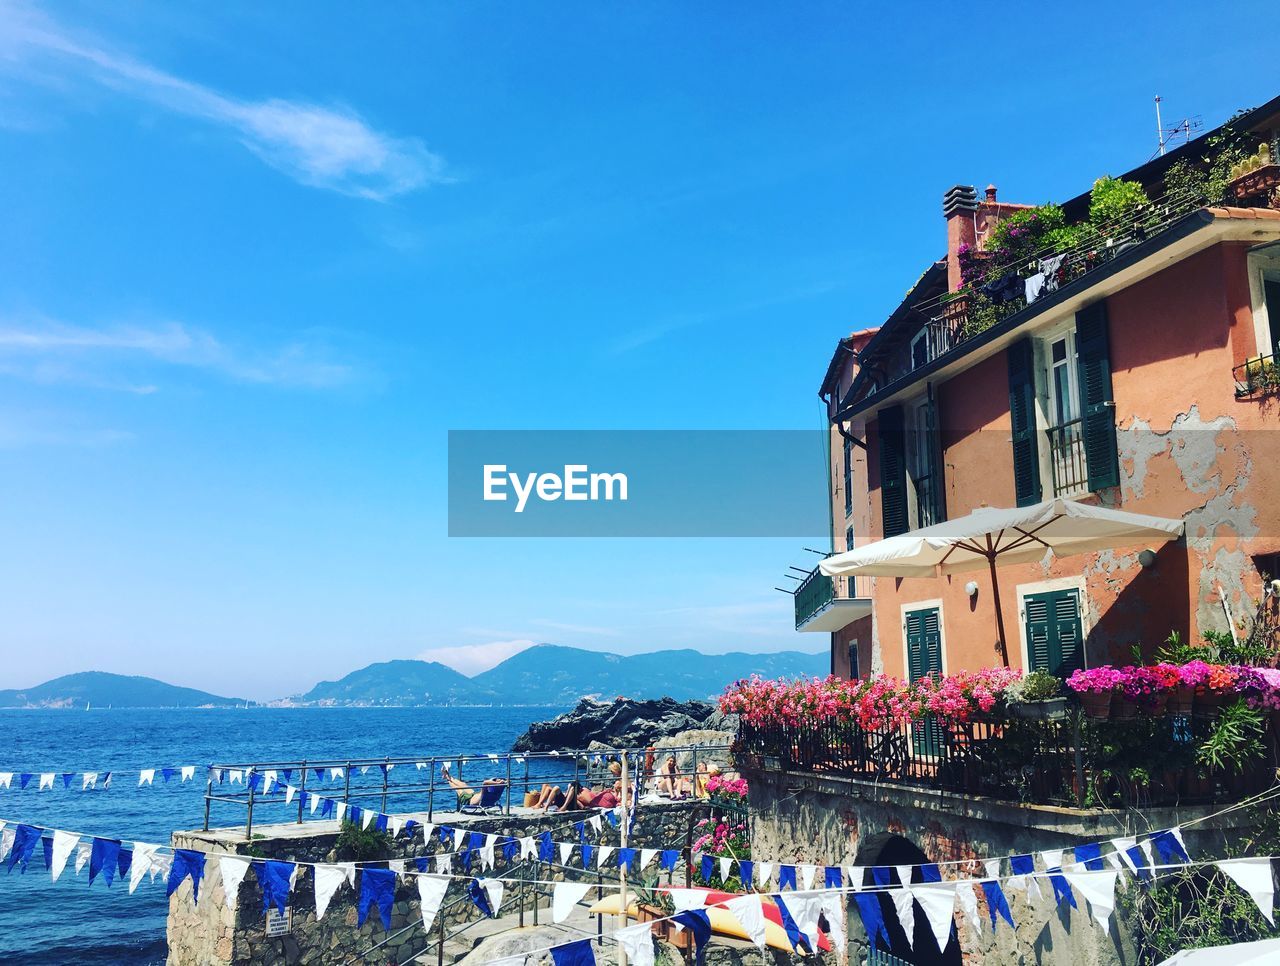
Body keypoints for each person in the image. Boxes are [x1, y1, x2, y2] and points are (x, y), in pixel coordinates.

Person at [441, 763, 506, 806]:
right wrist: (501, 782)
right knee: (463, 784)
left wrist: (497, 782)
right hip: (473, 795)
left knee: (457, 788)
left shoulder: (488, 790)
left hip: (469, 800)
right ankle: (447, 775)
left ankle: (447, 776)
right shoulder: (496, 790)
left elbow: (485, 782)